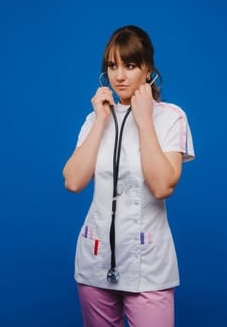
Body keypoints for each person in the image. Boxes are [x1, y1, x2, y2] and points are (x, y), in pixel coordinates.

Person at [63, 25, 195, 327]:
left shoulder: (170, 117)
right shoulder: (95, 119)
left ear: (147, 69)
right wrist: (100, 122)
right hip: (94, 263)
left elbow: (162, 186)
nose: (119, 75)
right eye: (113, 66)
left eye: (130, 65)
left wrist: (144, 119)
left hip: (148, 266)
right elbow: (73, 181)